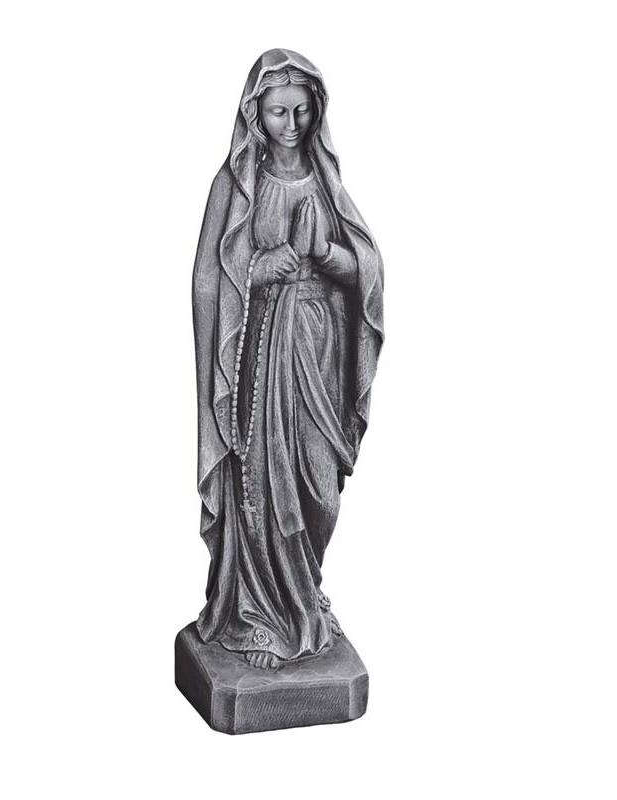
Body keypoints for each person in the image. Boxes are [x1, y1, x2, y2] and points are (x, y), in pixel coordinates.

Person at [192, 49, 384, 669]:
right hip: (263, 355)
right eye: (278, 111)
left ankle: (305, 595)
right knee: (265, 476)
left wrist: (324, 253)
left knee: (318, 485)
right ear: (256, 113)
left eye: (302, 110)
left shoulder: (326, 181)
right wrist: (256, 267)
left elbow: (367, 269)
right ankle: (260, 616)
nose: (292, 123)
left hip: (321, 349)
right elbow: (206, 280)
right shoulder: (236, 184)